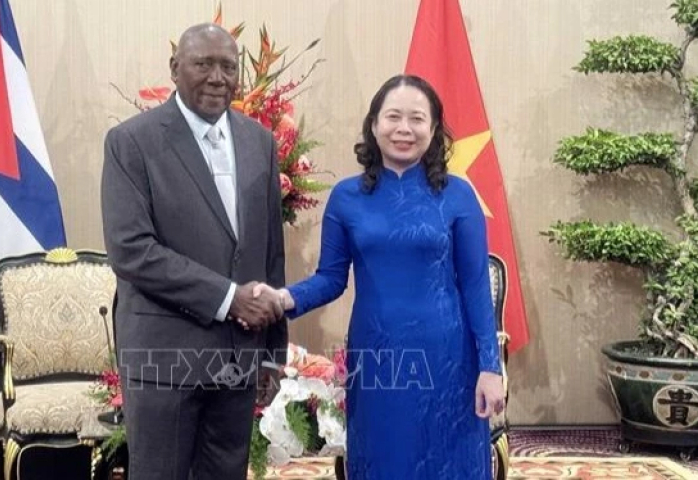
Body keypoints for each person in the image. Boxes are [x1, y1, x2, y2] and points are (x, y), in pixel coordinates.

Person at [251, 74, 505, 479]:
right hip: (377, 357)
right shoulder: (346, 197)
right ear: (373, 125)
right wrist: (283, 298)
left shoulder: (458, 195)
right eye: (393, 117)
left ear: (434, 130)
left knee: (448, 461)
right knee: (383, 457)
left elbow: (475, 286)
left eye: (417, 119)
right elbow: (330, 279)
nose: (404, 128)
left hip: (449, 358)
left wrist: (490, 367)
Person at [101, 23, 287, 480]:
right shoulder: (132, 142)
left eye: (228, 66)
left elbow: (270, 252)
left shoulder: (259, 142)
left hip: (238, 359)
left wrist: (271, 353)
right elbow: (131, 250)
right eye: (203, 64)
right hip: (164, 358)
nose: (217, 77)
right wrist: (228, 298)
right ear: (175, 68)